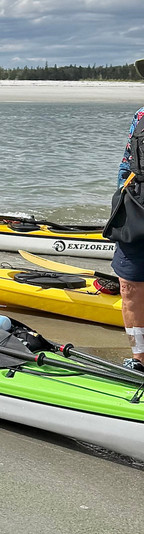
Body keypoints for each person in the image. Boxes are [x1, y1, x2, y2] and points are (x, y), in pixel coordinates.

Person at [112, 57, 144, 372]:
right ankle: (140, 360)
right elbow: (126, 165)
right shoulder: (141, 116)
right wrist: (125, 201)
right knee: (129, 286)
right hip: (139, 212)